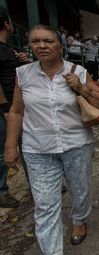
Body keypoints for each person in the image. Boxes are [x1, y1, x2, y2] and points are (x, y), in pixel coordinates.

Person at [5, 24, 99, 255]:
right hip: (37, 149)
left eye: (48, 41)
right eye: (35, 41)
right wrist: (10, 146)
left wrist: (80, 88)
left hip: (76, 145)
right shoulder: (23, 74)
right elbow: (16, 111)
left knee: (80, 190)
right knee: (45, 204)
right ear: (29, 46)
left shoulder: (78, 71)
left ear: (60, 45)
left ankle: (79, 219)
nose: (42, 45)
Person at [0, 6, 29, 208]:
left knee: (27, 145)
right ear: (6, 23)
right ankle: (1, 192)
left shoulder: (7, 49)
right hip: (6, 109)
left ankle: (37, 182)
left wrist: (23, 61)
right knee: (4, 151)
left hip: (14, 107)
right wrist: (4, 109)